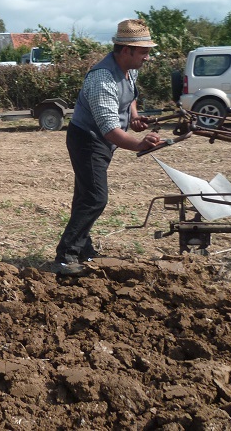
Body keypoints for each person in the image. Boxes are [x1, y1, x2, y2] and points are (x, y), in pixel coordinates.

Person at [53, 19, 163, 275]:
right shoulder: (102, 78)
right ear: (126, 50)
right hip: (88, 140)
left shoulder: (129, 68)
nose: (147, 57)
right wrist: (139, 144)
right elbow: (110, 131)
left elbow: (131, 96)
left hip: (100, 138)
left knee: (85, 196)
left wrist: (134, 116)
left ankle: (82, 250)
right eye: (144, 51)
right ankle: (65, 256)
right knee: (94, 198)